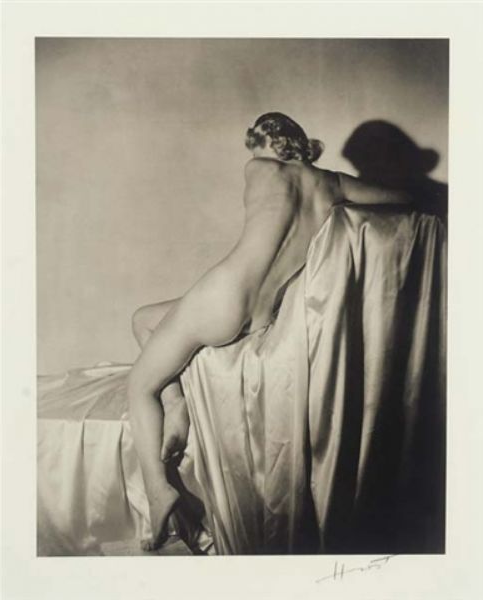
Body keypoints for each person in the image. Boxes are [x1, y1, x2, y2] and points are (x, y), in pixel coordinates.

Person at [128, 112, 412, 550]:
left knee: (139, 385)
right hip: (263, 316)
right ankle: (177, 403)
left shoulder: (259, 167)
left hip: (223, 295)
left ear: (267, 142)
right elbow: (403, 197)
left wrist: (265, 153)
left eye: (255, 144)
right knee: (145, 318)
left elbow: (272, 183)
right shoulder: (334, 184)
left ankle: (157, 488)